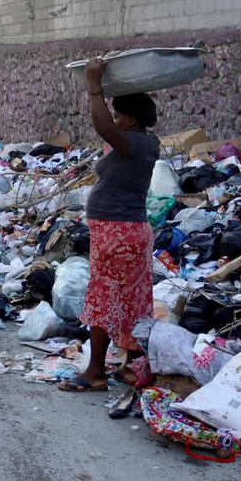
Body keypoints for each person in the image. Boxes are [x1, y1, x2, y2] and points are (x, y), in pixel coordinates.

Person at [57, 57, 160, 394]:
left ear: (130, 121)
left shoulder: (138, 143)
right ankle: (130, 367)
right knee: (129, 300)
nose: (114, 122)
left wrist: (95, 86)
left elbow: (103, 127)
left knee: (103, 299)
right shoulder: (138, 142)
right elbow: (107, 128)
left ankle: (95, 372)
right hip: (122, 232)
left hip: (119, 233)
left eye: (119, 117)